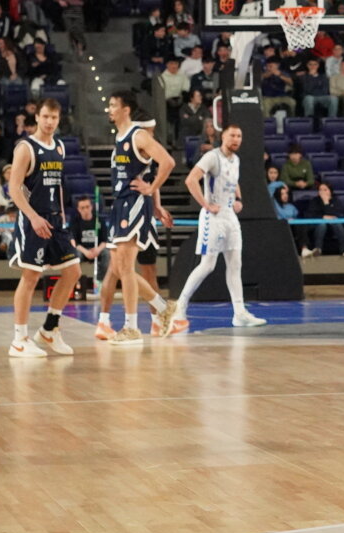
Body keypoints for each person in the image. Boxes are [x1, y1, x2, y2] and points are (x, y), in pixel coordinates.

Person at [167, 123, 267, 335]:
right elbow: (191, 179)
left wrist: (238, 199)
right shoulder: (212, 157)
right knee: (208, 265)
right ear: (224, 137)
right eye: (232, 135)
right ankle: (180, 306)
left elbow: (234, 182)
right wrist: (206, 204)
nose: (236, 139)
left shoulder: (236, 160)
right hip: (213, 217)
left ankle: (239, 313)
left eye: (239, 136)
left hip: (229, 215)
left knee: (235, 263)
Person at [5, 99, 82, 358]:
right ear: (36, 117)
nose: (50, 122)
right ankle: (19, 339)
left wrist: (62, 220)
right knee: (30, 277)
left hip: (55, 220)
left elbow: (57, 187)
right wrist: (34, 218)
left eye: (54, 118)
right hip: (32, 219)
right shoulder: (25, 148)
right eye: (46, 117)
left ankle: (50, 328)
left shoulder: (59, 147)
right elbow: (14, 189)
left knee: (73, 271)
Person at [103, 91, 176, 344]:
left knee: (126, 268)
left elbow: (167, 161)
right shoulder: (120, 136)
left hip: (134, 204)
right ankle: (163, 308)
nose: (109, 109)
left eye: (113, 105)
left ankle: (132, 327)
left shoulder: (139, 135)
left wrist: (152, 187)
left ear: (126, 110)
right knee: (121, 269)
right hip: (121, 204)